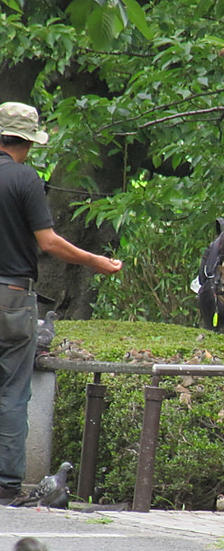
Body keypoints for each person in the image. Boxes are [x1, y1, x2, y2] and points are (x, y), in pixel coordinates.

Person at [0, 102, 122, 504]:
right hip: (12, 298)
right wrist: (95, 261)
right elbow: (48, 242)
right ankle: (4, 484)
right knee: (12, 393)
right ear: (28, 142)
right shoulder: (25, 179)